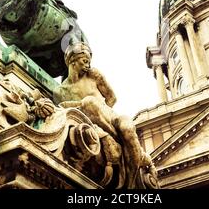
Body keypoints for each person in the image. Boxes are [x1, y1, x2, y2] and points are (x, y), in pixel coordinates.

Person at [52, 42, 156, 188]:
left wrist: (100, 108)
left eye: (89, 61)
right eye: (84, 61)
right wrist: (88, 106)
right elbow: (66, 111)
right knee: (88, 103)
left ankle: (132, 179)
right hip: (88, 118)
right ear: (72, 61)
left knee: (126, 127)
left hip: (108, 115)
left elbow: (112, 98)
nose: (88, 65)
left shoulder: (94, 75)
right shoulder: (59, 92)